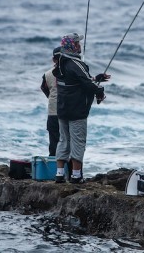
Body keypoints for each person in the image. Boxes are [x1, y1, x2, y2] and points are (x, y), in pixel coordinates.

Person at [54, 33, 110, 184]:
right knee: (78, 141)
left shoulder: (60, 63)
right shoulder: (76, 64)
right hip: (76, 111)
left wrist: (96, 79)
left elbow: (80, 81)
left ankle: (59, 175)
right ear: (72, 46)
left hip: (62, 110)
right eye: (77, 43)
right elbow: (86, 84)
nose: (79, 46)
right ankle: (76, 176)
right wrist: (99, 91)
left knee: (63, 140)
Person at [40, 47, 61, 156]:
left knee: (54, 143)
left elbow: (44, 88)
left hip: (53, 112)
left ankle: (55, 170)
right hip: (68, 113)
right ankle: (72, 171)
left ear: (54, 60)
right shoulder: (72, 72)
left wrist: (52, 98)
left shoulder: (47, 74)